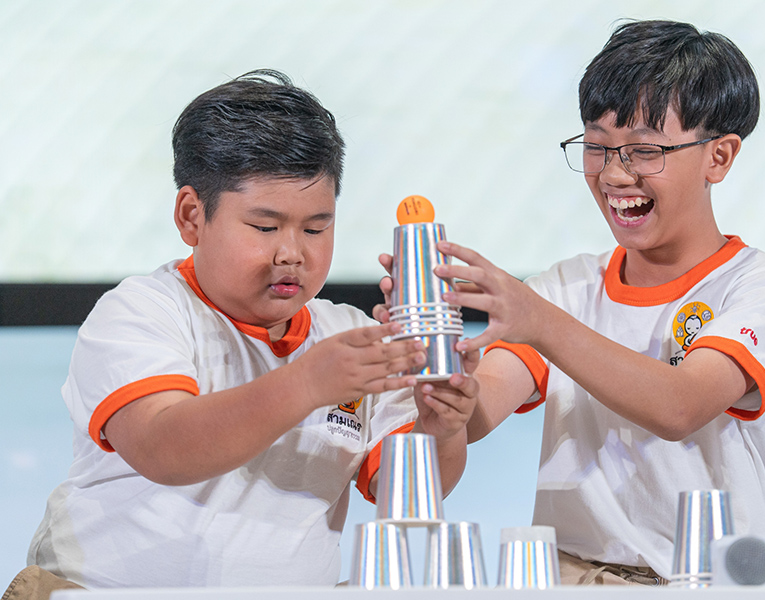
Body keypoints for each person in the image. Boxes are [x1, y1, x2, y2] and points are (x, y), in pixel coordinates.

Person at [378, 19, 765, 585]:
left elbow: (680, 407)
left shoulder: (762, 285)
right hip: (566, 578)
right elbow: (478, 414)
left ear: (720, 157)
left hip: (703, 583)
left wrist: (539, 321)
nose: (614, 174)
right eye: (597, 146)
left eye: (644, 150)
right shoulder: (565, 287)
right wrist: (440, 372)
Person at [22, 69, 477, 591]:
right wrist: (308, 383)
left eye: (316, 228)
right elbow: (163, 448)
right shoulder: (143, 311)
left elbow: (406, 496)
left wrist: (441, 428)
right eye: (265, 227)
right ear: (191, 216)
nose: (292, 253)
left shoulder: (350, 336)